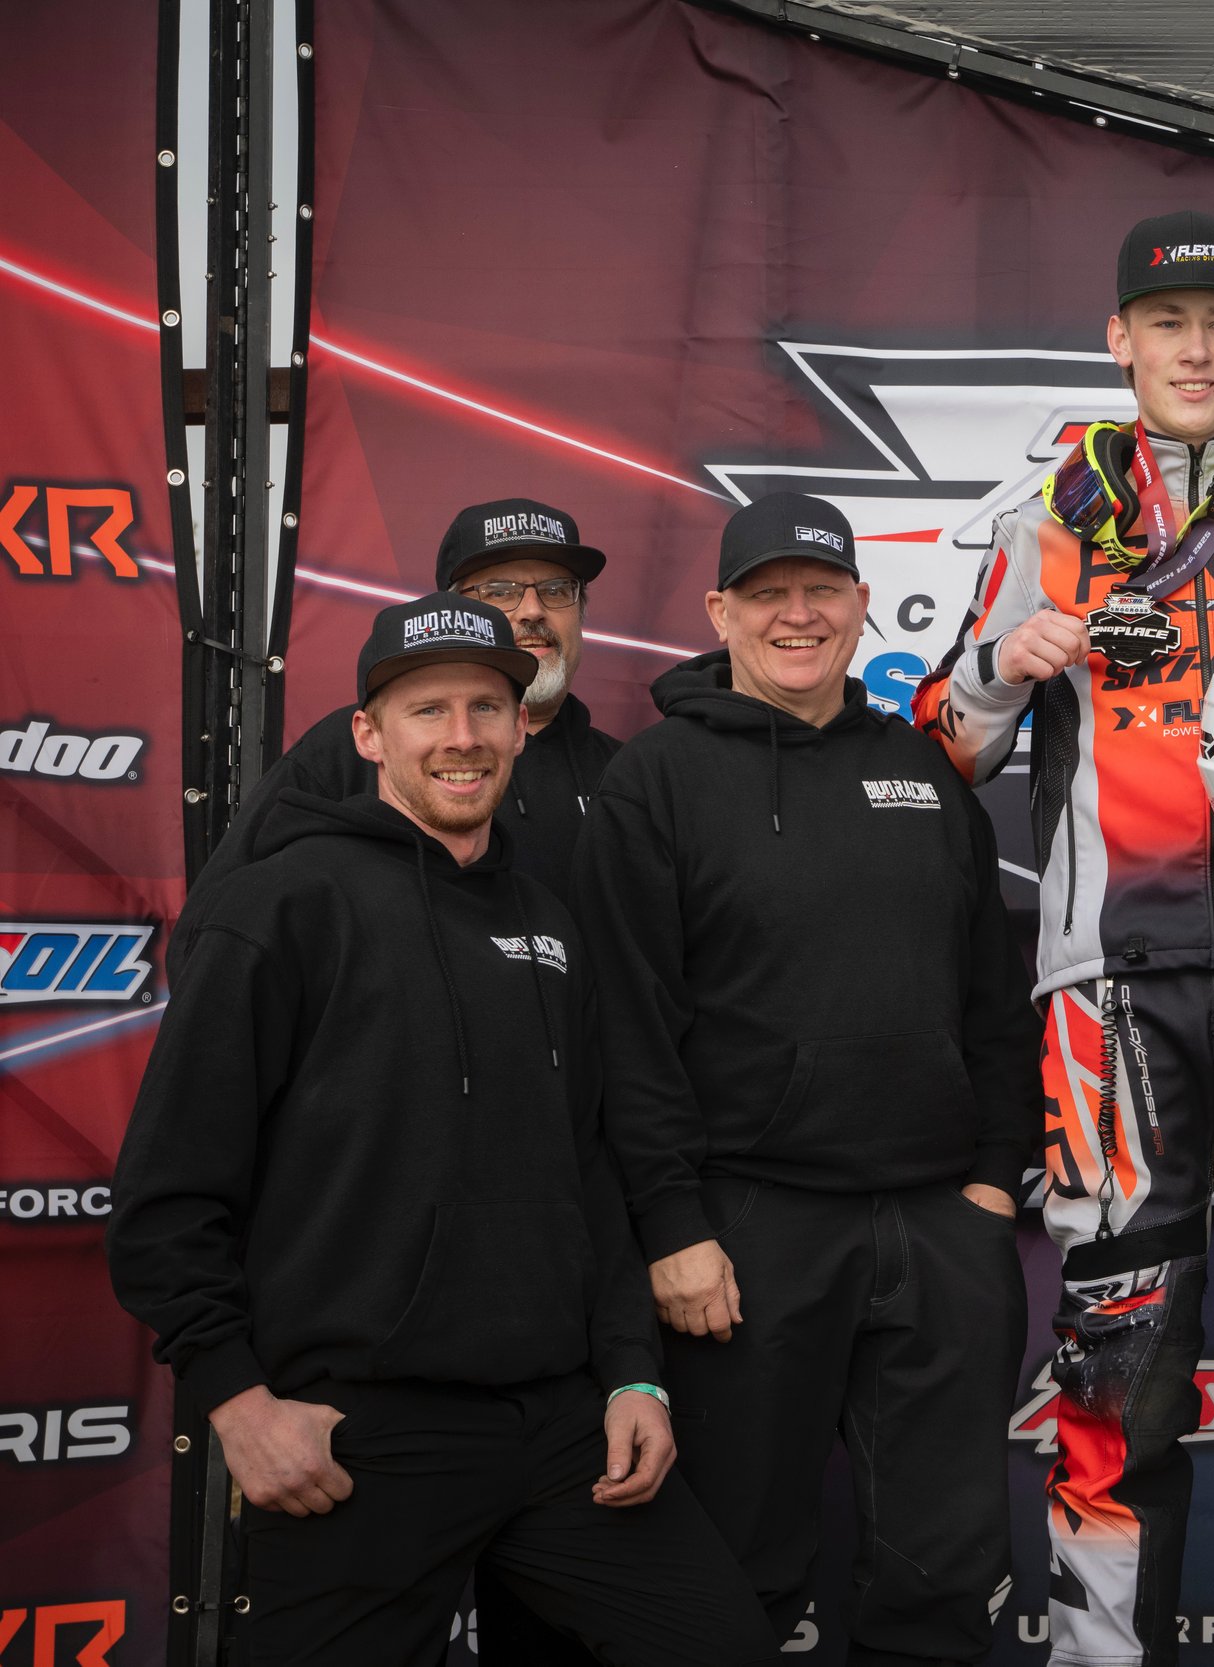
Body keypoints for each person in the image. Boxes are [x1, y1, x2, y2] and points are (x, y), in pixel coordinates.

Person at [106, 594, 774, 1667]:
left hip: (557, 1427)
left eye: (486, 707)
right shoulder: (279, 906)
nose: (461, 736)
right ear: (369, 732)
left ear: (520, 727)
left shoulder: (548, 923)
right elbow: (164, 1198)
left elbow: (587, 1171)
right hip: (359, 1434)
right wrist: (236, 1400)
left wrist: (632, 1374)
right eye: (427, 710)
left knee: (722, 1643)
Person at [911, 210, 1214, 1667]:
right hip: (1107, 988)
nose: (1194, 349)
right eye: (1165, 323)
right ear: (1119, 341)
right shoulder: (1041, 527)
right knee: (1119, 1354)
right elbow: (940, 746)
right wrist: (1007, 660)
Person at [573, 492, 1040, 1662]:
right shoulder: (655, 780)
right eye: (769, 593)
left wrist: (989, 1181)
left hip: (938, 1223)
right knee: (739, 1567)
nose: (798, 614)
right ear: (720, 610)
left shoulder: (920, 772)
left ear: (859, 604)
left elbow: (991, 990)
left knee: (945, 1569)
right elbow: (625, 1030)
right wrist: (673, 1225)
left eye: (821, 589)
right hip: (746, 1229)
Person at [176, 496, 619, 961]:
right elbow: (215, 937)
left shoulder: (628, 775)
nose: (532, 611)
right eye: (500, 590)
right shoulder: (353, 749)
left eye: (555, 589)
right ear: (449, 607)